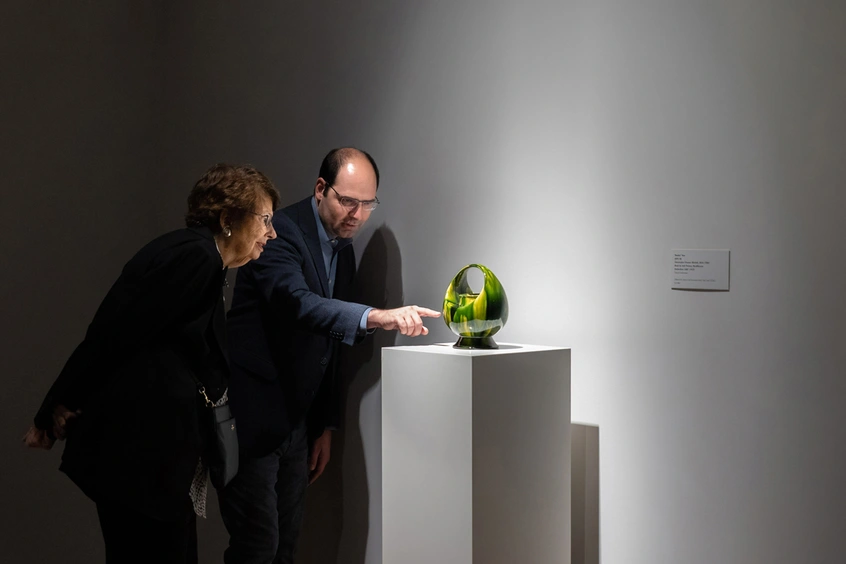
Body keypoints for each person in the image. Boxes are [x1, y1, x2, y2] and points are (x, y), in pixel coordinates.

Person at [23, 164, 280, 564]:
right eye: (265, 219)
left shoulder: (198, 258)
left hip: (148, 464)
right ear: (229, 219)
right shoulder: (195, 259)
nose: (271, 232)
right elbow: (112, 336)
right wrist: (52, 410)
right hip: (140, 464)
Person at [219, 147, 440, 564]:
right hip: (253, 421)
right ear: (321, 189)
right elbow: (298, 304)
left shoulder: (343, 247)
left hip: (299, 425)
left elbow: (328, 347)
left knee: (284, 547)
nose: (356, 214)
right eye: (347, 201)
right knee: (256, 548)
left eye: (367, 205)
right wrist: (378, 317)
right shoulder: (277, 233)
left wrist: (326, 424)